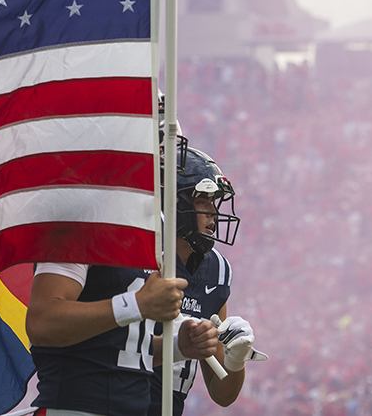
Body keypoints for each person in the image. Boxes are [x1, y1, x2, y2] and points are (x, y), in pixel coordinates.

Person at [25, 145, 224, 416]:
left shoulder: (145, 233)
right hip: (75, 407)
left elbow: (117, 348)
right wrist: (137, 304)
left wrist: (178, 347)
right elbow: (41, 322)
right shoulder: (82, 215)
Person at [148, 146, 265, 416]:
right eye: (203, 201)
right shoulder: (145, 256)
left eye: (214, 202)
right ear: (173, 202)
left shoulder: (217, 271)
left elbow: (222, 393)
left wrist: (236, 361)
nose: (213, 212)